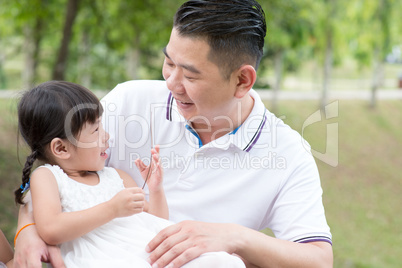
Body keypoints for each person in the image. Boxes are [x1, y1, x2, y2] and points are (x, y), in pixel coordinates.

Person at [14, 0, 333, 267]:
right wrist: (26, 227)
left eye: (191, 75)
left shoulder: (289, 154)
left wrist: (233, 237)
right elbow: (55, 167)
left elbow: (319, 260)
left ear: (242, 81)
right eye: (169, 62)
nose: (170, 82)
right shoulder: (130, 102)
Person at [13, 81, 244, 268]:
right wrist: (112, 209)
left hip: (146, 252)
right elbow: (51, 229)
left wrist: (155, 189)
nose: (106, 136)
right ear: (61, 148)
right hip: (101, 260)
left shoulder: (117, 177)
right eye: (95, 131)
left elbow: (156, 222)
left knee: (223, 262)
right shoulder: (48, 177)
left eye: (102, 126)